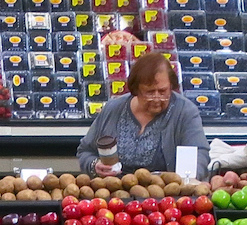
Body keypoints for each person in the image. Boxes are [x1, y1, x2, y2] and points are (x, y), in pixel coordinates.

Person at [76, 52, 210, 179]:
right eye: (150, 92)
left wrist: (184, 181)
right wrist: (94, 165)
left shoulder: (184, 112)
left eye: (163, 91)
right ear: (136, 90)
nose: (157, 98)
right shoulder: (114, 109)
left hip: (165, 196)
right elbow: (85, 151)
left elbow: (200, 155)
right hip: (114, 193)